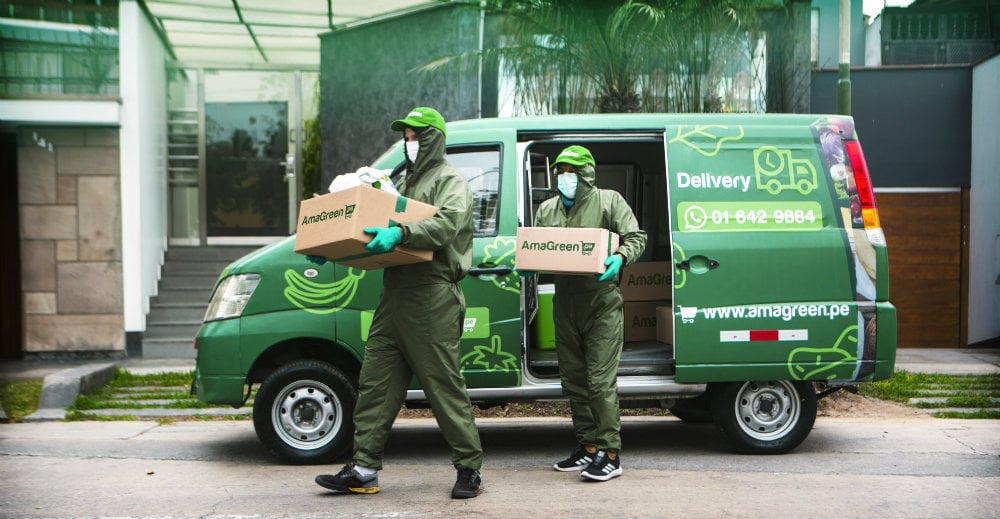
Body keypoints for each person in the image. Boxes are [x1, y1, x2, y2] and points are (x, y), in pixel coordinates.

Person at [313, 107, 484, 499]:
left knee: (443, 386)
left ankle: (469, 468)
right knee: (376, 382)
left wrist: (400, 232)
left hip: (432, 295)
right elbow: (367, 230)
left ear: (433, 138)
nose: (409, 143)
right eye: (406, 136)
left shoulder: (450, 181)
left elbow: (445, 225)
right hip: (394, 293)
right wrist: (331, 245)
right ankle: (363, 469)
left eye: (415, 136)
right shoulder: (399, 183)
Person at [528, 145, 646, 482]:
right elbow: (538, 245)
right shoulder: (547, 209)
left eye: (572, 171)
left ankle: (610, 453)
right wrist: (528, 262)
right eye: (561, 171)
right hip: (565, 304)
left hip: (601, 303)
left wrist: (620, 257)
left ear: (587, 174)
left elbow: (636, 236)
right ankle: (589, 447)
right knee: (575, 381)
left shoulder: (609, 201)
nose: (565, 177)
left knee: (599, 381)